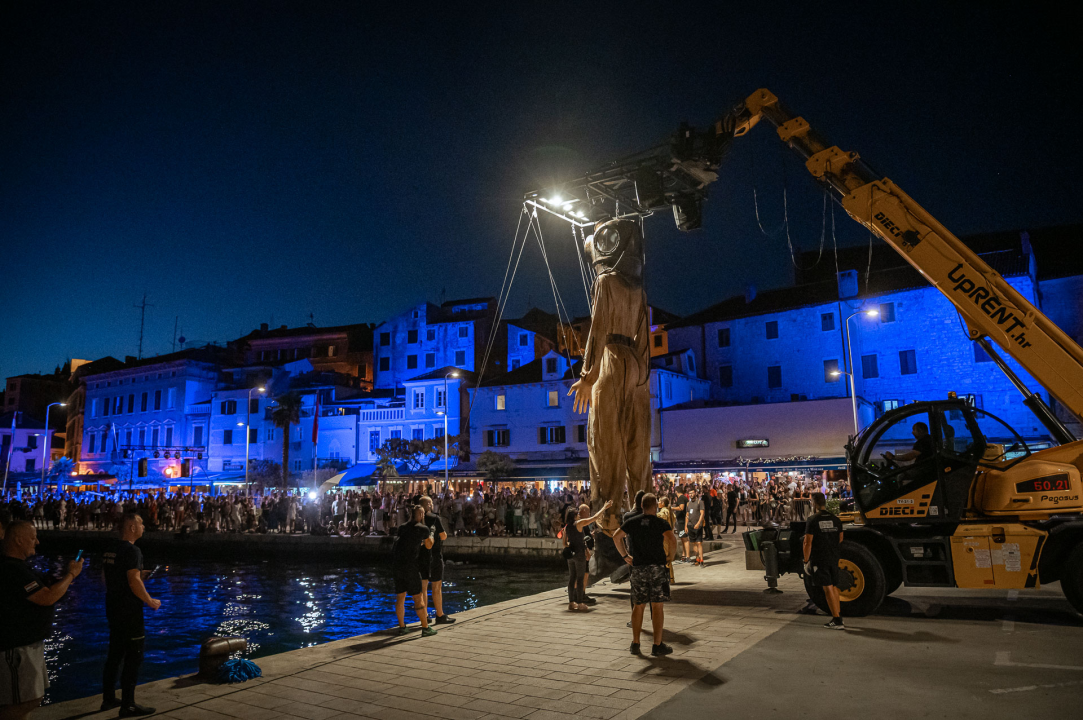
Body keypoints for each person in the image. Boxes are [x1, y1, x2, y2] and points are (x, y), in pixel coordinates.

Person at [1, 521, 84, 720]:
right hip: (18, 648)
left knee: (24, 700)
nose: (37, 542)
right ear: (19, 540)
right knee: (28, 699)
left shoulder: (17, 568)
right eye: (32, 537)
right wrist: (72, 574)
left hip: (28, 644)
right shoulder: (14, 570)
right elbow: (46, 597)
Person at [102, 512, 161, 716]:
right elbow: (133, 582)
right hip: (129, 611)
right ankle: (128, 704)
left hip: (113, 608)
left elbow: (106, 577)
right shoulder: (133, 550)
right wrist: (150, 601)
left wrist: (135, 575)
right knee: (134, 656)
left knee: (114, 654)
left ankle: (108, 698)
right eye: (141, 523)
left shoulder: (110, 549)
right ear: (132, 528)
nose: (144, 527)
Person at [613, 494, 676, 657]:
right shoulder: (660, 522)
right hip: (657, 568)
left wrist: (625, 556)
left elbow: (616, 537)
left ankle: (635, 643)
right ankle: (657, 644)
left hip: (638, 568)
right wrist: (670, 557)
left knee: (638, 605)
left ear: (641, 506)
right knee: (657, 606)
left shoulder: (632, 522)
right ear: (655, 506)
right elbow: (672, 539)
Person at [803, 492, 846, 630]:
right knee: (834, 586)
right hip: (834, 556)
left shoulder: (813, 520)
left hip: (820, 557)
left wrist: (806, 560)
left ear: (814, 503)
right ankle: (838, 615)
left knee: (827, 587)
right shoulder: (835, 519)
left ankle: (837, 620)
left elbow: (807, 542)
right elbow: (840, 538)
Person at [393, 505, 436, 636]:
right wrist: (432, 533)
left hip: (397, 566)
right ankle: (425, 627)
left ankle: (402, 626)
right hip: (411, 566)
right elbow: (429, 545)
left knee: (400, 596)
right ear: (421, 515)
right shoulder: (423, 528)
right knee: (418, 597)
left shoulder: (402, 527)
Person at [563, 501, 611, 611]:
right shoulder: (579, 524)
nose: (579, 515)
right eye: (577, 514)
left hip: (571, 555)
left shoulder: (567, 527)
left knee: (571, 578)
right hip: (579, 555)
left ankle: (571, 602)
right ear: (574, 516)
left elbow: (564, 543)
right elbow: (594, 517)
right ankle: (580, 603)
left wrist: (571, 546)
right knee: (580, 579)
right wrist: (604, 507)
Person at [418, 496, 454, 625]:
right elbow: (443, 536)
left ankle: (425, 615)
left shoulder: (417, 520)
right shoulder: (434, 518)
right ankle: (439, 614)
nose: (432, 505)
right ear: (428, 505)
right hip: (434, 555)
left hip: (421, 556)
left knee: (423, 587)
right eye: (431, 503)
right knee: (436, 586)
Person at [685, 488, 705, 566]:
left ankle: (702, 560)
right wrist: (686, 526)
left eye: (692, 493)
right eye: (689, 493)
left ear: (695, 493)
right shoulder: (688, 504)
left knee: (699, 542)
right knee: (693, 543)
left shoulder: (700, 502)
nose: (691, 495)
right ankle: (697, 558)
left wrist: (698, 523)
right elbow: (687, 515)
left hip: (698, 526)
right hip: (690, 525)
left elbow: (702, 514)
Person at [673, 488, 689, 562]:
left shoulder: (681, 498)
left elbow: (681, 508)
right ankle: (684, 555)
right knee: (682, 539)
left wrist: (672, 508)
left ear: (676, 492)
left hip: (682, 521)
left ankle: (687, 556)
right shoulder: (684, 498)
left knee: (685, 539)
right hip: (681, 521)